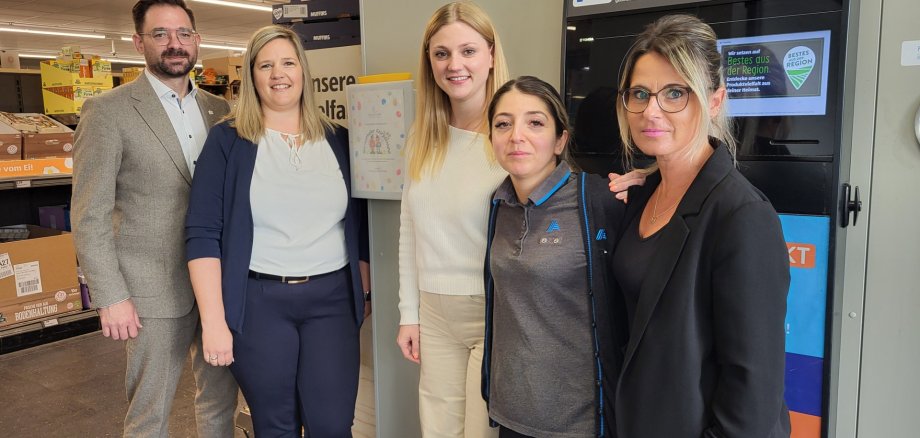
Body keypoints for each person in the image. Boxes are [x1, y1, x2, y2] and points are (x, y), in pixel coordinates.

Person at [610, 14, 791, 437]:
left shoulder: (742, 216)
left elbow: (753, 398)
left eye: (675, 93)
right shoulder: (642, 196)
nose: (650, 110)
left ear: (714, 101)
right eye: (639, 93)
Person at [185, 24, 370, 437]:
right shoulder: (228, 142)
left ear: (303, 70)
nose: (278, 74)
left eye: (287, 62)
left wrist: (365, 288)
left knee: (333, 424)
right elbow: (201, 235)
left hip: (332, 302)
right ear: (252, 76)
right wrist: (213, 322)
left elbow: (360, 222)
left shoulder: (338, 139)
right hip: (258, 304)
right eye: (265, 65)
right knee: (275, 426)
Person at [70, 1, 238, 436]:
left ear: (197, 40)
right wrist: (110, 295)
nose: (174, 44)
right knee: (150, 412)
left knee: (220, 403)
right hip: (150, 291)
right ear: (138, 42)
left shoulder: (220, 111)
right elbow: (89, 214)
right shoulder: (108, 112)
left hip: (218, 283)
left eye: (183, 33)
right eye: (161, 34)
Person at [481, 76, 627, 438]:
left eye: (535, 122)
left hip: (578, 422)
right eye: (503, 124)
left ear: (560, 139)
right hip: (512, 412)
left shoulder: (597, 200)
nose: (517, 135)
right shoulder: (499, 203)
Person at [394, 2, 508, 437]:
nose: (454, 65)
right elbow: (409, 229)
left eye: (468, 51)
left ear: (491, 55)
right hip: (434, 311)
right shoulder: (422, 137)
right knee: (438, 428)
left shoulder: (510, 136)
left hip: (493, 309)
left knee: (482, 430)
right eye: (441, 54)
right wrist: (409, 313)